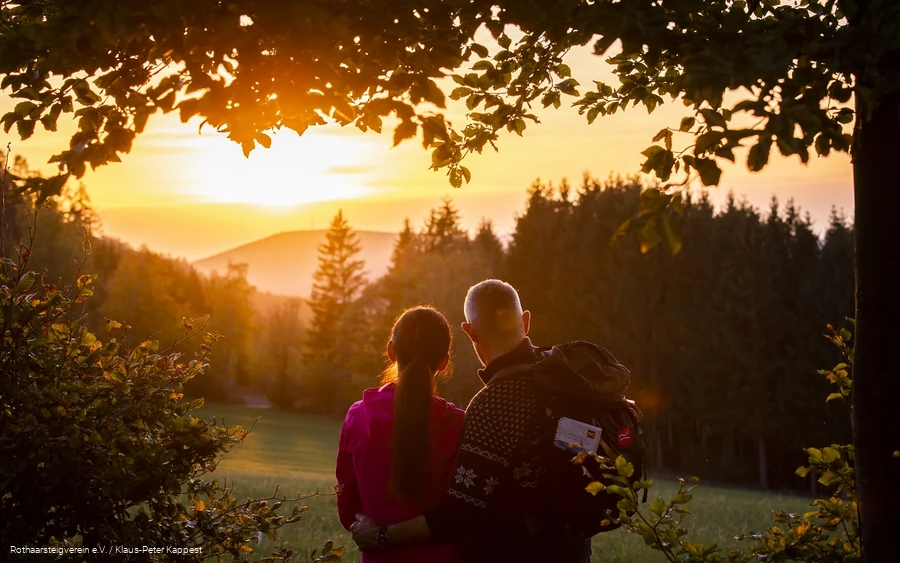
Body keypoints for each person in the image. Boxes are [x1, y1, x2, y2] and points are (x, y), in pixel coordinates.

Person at [351, 280, 592, 563]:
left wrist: (382, 536)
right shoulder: (567, 380)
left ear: (470, 332)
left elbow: (460, 512)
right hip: (574, 552)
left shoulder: (492, 404)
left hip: (519, 552)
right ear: (525, 321)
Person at [335, 306, 466, 563]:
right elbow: (458, 513)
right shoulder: (458, 425)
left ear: (391, 351)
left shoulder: (357, 417)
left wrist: (373, 529)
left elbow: (348, 508)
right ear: (444, 362)